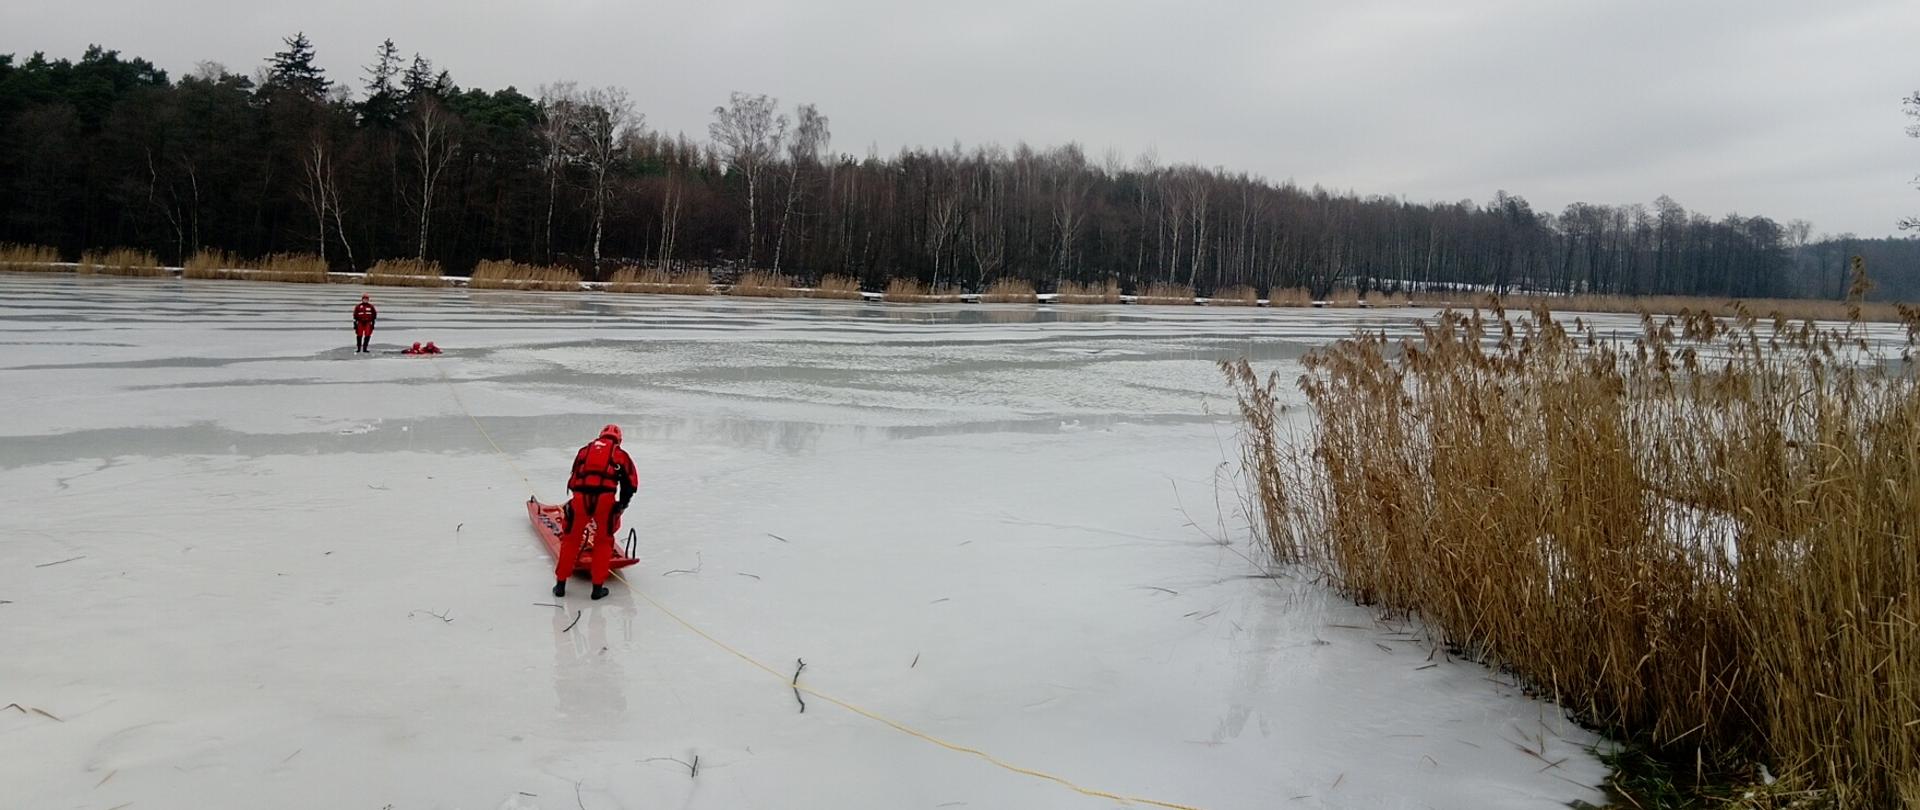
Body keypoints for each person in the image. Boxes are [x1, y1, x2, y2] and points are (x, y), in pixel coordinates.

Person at [554, 424, 638, 600]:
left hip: (580, 499)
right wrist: (622, 505)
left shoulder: (585, 450)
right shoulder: (620, 454)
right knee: (603, 542)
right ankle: (597, 588)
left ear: (600, 435)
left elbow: (574, 477)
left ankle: (560, 585)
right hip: (604, 501)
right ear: (619, 440)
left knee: (570, 540)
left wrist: (573, 502)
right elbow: (631, 484)